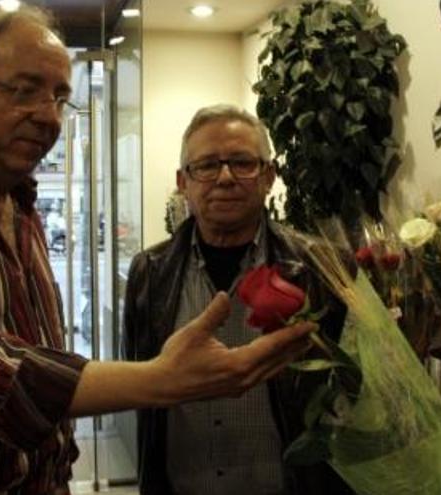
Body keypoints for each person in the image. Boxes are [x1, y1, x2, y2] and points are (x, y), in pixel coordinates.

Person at [0, 7, 315, 495]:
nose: (48, 115)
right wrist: (160, 380)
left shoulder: (19, 203)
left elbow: (34, 349)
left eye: (60, 97)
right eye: (24, 90)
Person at [123, 104, 353, 495]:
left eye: (243, 163)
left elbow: (349, 395)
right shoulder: (149, 273)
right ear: (184, 181)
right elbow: (142, 392)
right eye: (207, 165)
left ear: (268, 176)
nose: (225, 178)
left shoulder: (321, 269)